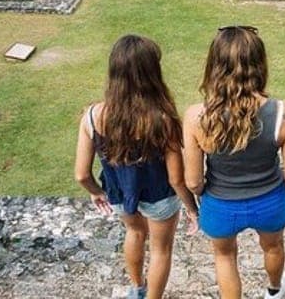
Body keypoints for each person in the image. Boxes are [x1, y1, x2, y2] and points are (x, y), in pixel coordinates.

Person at [74, 34, 199, 299]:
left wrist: (96, 192)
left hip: (120, 193)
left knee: (134, 232)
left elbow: (81, 174)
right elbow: (176, 179)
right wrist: (192, 208)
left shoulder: (92, 116)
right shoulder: (162, 119)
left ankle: (136, 288)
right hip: (160, 196)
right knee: (161, 250)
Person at [183, 25, 285, 299]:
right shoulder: (284, 112)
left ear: (214, 65)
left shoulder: (195, 117)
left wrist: (205, 197)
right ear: (260, 64)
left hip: (221, 205)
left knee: (224, 256)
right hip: (269, 201)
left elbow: (193, 181)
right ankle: (274, 290)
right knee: (273, 247)